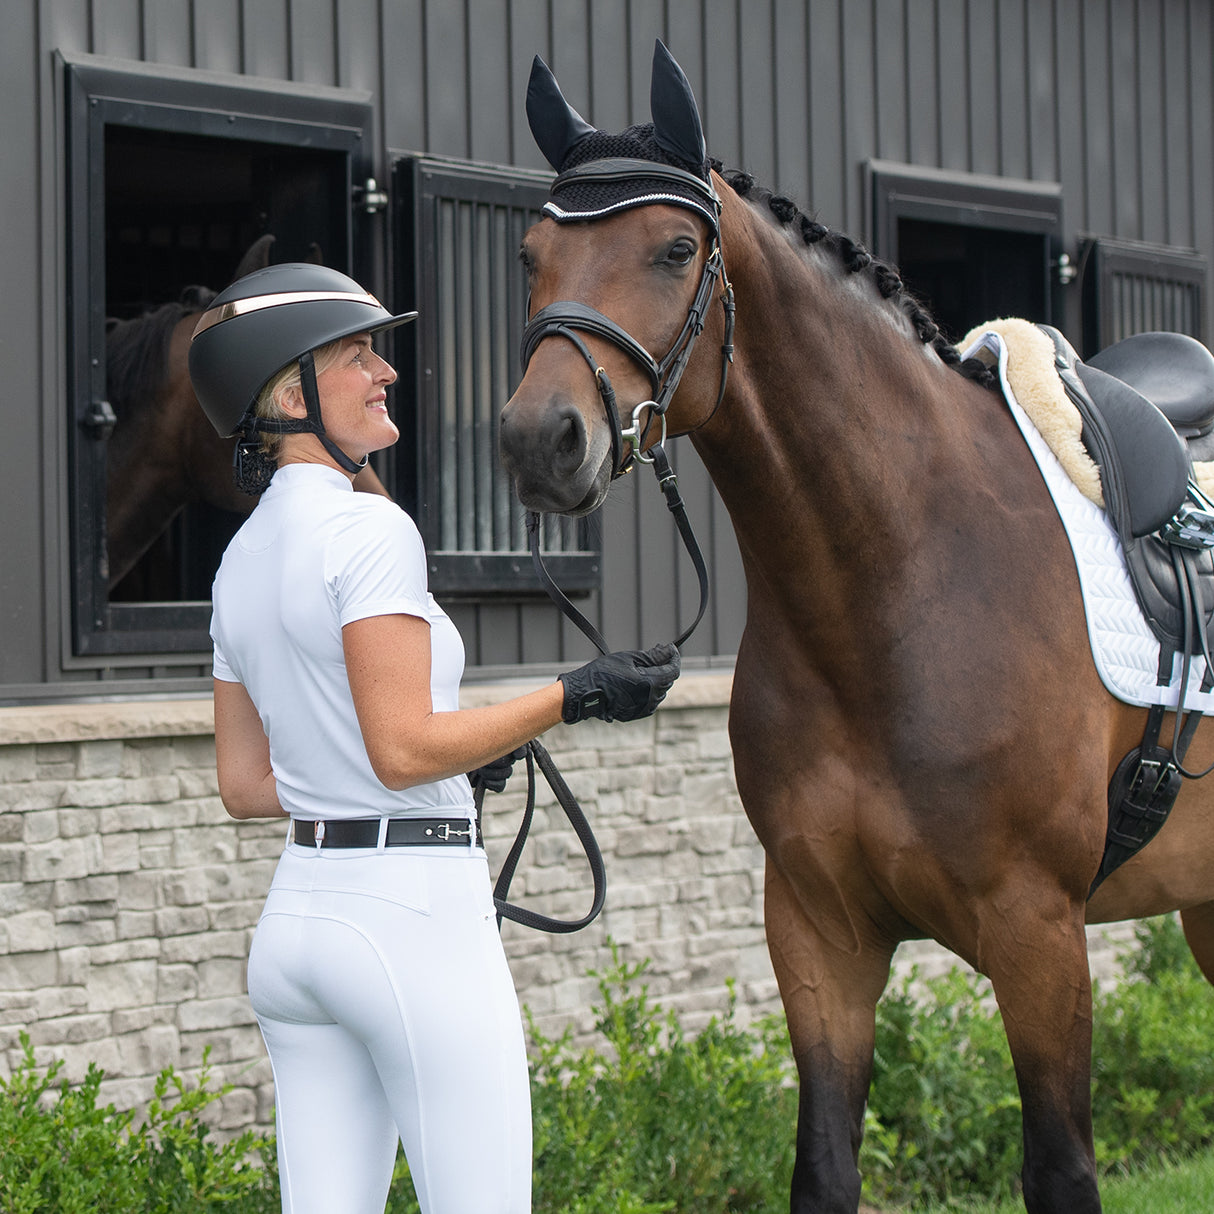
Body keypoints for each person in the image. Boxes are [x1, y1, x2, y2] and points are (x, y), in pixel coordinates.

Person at [187, 262, 680, 1214]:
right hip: (407, 918)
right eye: (358, 353)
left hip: (298, 934)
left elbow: (246, 783)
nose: (388, 371)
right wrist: (574, 694)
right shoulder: (375, 537)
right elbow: (404, 750)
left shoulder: (240, 558)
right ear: (293, 393)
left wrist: (447, 751)